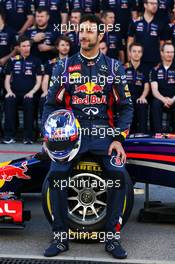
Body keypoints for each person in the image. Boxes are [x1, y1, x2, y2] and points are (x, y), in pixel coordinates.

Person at [42, 14, 133, 259]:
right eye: (81, 30)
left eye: (90, 30)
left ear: (100, 35)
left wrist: (119, 139)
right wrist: (49, 133)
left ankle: (112, 238)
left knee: (118, 174)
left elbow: (126, 107)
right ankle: (60, 237)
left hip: (105, 134)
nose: (84, 34)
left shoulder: (114, 67)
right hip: (72, 134)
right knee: (56, 174)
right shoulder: (63, 66)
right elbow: (51, 105)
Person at [3, 36, 42, 144]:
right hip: (14, 92)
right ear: (19, 48)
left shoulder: (36, 61)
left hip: (30, 93)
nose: (26, 48)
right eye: (23, 46)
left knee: (29, 102)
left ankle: (28, 137)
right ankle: (9, 136)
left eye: (28, 46)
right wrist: (9, 92)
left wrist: (32, 92)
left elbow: (39, 81)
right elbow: (7, 79)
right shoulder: (12, 61)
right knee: (9, 100)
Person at [128, 0, 170, 76]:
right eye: (152, 3)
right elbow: (130, 42)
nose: (154, 6)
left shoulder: (161, 23)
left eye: (156, 4)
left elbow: (162, 44)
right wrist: (129, 59)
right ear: (145, 5)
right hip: (138, 61)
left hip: (155, 61)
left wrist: (161, 61)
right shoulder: (135, 22)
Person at [40, 35, 71, 118]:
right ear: (57, 47)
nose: (65, 47)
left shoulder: (74, 62)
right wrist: (45, 92)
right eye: (62, 45)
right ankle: (44, 128)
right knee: (44, 99)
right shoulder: (51, 63)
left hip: (69, 93)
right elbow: (45, 80)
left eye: (67, 45)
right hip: (53, 92)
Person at [150, 42, 175, 133]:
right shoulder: (155, 69)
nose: (170, 54)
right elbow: (154, 91)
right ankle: (158, 134)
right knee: (155, 103)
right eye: (168, 52)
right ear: (162, 53)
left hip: (174, 98)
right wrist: (165, 100)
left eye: (172, 52)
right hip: (160, 98)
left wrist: (172, 100)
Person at [125, 42, 150, 133]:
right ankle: (127, 136)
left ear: (142, 54)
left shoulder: (145, 69)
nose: (136, 54)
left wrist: (143, 96)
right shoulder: (123, 67)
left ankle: (142, 135)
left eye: (139, 52)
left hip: (139, 97)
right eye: (134, 51)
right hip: (127, 97)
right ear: (130, 53)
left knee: (142, 104)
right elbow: (120, 85)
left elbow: (147, 86)